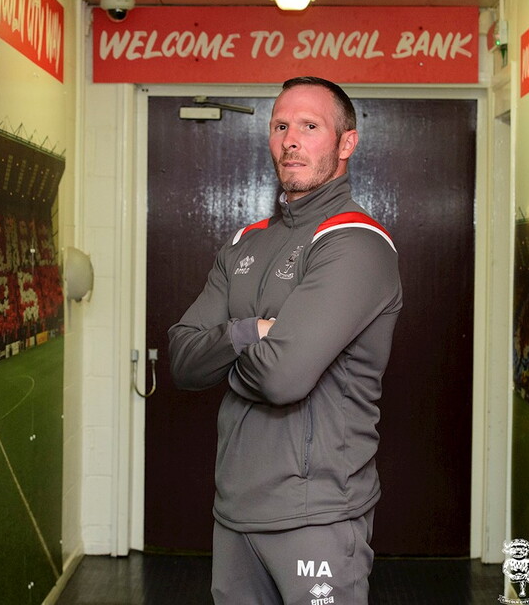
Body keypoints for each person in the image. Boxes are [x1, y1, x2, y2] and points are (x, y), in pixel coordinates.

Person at [168, 76, 402, 605]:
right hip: (234, 511)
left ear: (346, 143)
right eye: (280, 127)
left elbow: (282, 377)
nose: (291, 140)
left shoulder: (356, 242)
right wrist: (250, 331)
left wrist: (224, 352)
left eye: (310, 126)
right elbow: (181, 358)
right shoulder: (245, 242)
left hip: (315, 515)